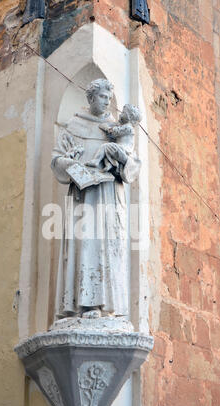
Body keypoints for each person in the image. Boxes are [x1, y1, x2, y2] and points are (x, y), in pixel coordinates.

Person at [51, 79, 141, 319]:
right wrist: (73, 164)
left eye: (109, 98)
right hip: (84, 195)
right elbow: (57, 160)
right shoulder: (73, 126)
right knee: (86, 244)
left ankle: (108, 307)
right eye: (102, 97)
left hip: (109, 197)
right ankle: (85, 304)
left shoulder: (115, 129)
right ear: (90, 98)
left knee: (109, 247)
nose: (107, 101)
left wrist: (121, 161)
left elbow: (132, 166)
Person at [86, 104, 142, 175]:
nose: (121, 114)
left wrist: (106, 128)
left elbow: (115, 132)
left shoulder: (128, 128)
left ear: (129, 117)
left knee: (105, 147)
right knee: (108, 152)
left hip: (124, 150)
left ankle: (95, 161)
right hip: (121, 148)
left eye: (123, 113)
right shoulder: (125, 126)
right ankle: (109, 165)